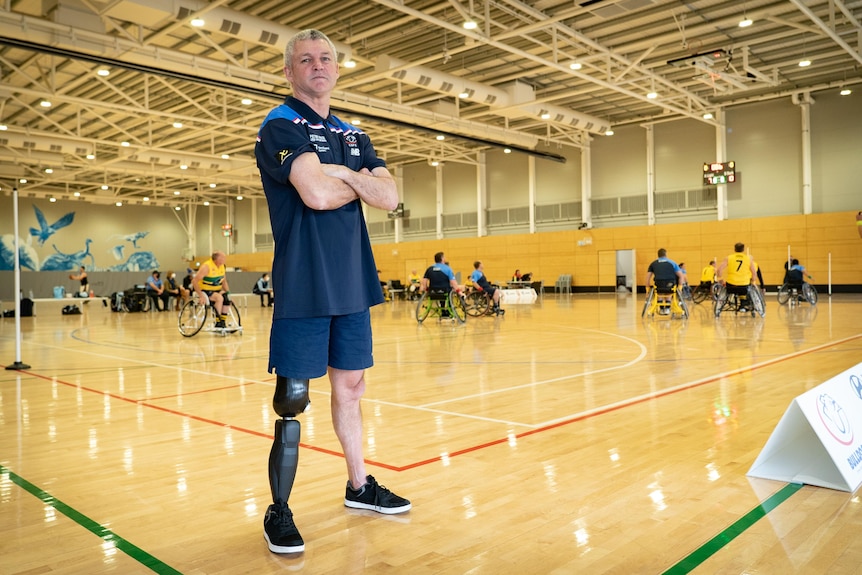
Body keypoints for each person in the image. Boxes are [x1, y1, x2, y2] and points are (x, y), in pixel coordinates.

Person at [254, 29, 410, 555]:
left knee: (352, 389)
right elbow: (317, 195)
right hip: (303, 282)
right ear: (289, 71)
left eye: (325, 58)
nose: (317, 66)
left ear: (337, 69)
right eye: (306, 59)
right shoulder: (279, 125)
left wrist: (341, 170)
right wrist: (354, 180)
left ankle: (359, 486)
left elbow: (389, 197)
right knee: (292, 400)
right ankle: (279, 509)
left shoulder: (351, 134)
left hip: (352, 281)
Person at [193, 251, 233, 328]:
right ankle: (217, 322)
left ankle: (222, 321)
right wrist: (200, 295)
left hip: (216, 290)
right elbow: (194, 281)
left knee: (227, 298)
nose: (224, 259)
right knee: (219, 298)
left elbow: (224, 281)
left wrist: (228, 293)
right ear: (217, 258)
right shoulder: (206, 267)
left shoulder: (222, 266)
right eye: (223, 257)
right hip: (204, 290)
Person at [716, 242, 758, 311]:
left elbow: (719, 270)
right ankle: (743, 305)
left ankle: (723, 304)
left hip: (730, 285)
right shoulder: (748, 259)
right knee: (747, 289)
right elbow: (754, 273)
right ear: (743, 249)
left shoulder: (728, 258)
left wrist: (720, 279)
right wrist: (753, 282)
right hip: (744, 286)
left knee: (728, 288)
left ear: (734, 249)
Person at [645, 248, 684, 314]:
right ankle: (667, 308)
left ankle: (661, 308)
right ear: (666, 254)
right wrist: (680, 288)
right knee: (669, 290)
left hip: (658, 285)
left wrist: (647, 289)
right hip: (670, 284)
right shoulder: (673, 263)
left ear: (658, 255)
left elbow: (648, 277)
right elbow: (681, 276)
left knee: (659, 291)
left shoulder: (653, 264)